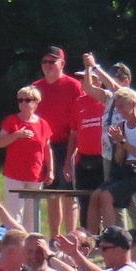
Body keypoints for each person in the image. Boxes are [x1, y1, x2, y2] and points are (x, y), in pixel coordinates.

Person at [33, 47, 88, 236]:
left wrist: (74, 151)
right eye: (44, 62)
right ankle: (55, 238)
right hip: (45, 145)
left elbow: (81, 117)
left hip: (69, 144)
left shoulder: (73, 86)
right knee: (51, 193)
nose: (47, 66)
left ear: (62, 64)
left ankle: (71, 238)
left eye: (52, 62)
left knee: (68, 194)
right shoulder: (36, 87)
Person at [88, 86, 136, 233]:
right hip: (125, 172)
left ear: (132, 104)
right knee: (95, 196)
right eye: (116, 106)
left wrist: (123, 141)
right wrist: (118, 143)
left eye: (121, 106)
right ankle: (92, 240)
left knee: (106, 196)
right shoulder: (121, 126)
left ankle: (111, 238)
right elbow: (119, 160)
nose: (119, 110)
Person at [0, 85, 53, 228]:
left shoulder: (43, 124)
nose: (23, 103)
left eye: (27, 100)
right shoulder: (11, 121)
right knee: (15, 214)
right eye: (20, 100)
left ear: (36, 102)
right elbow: (0, 142)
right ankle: (15, 246)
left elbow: (47, 149)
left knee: (33, 215)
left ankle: (32, 246)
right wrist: (17, 135)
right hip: (14, 174)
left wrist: (51, 170)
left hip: (36, 175)